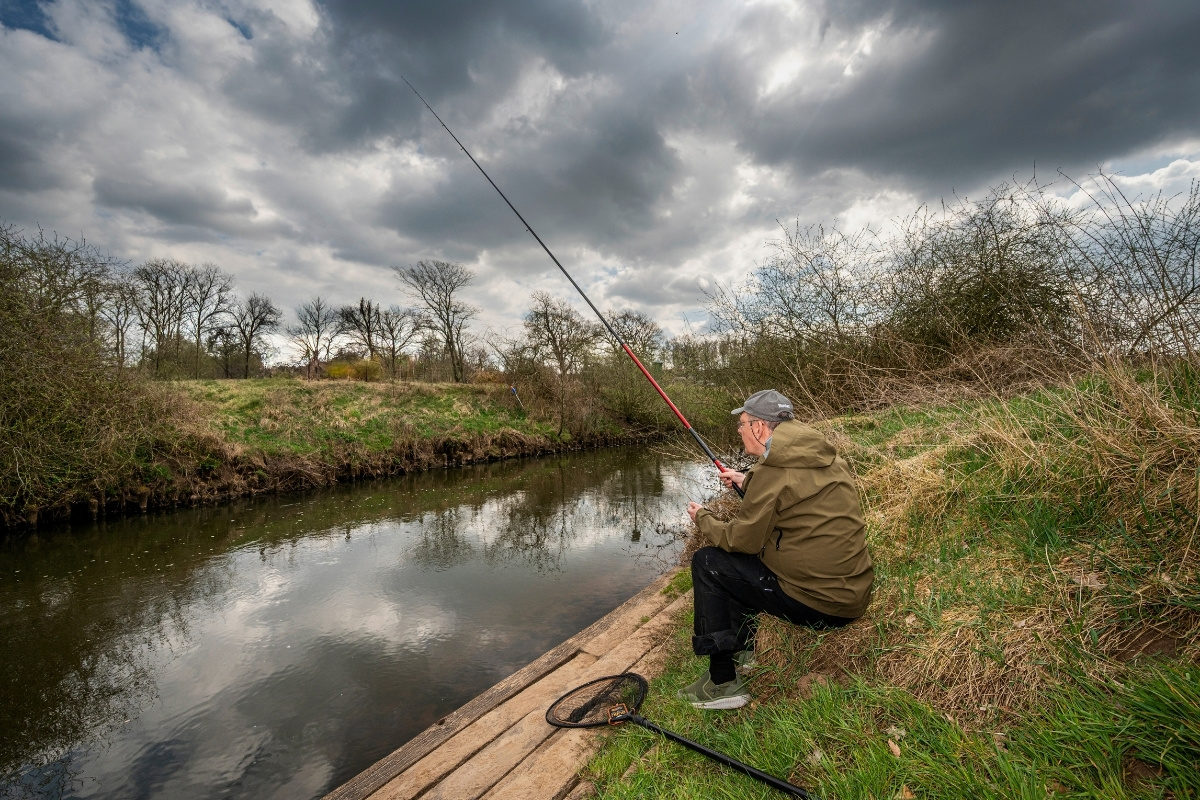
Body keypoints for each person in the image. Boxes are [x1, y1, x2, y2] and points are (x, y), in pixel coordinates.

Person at [680, 389, 873, 709]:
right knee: (743, 563)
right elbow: (791, 494)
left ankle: (724, 682)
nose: (740, 431)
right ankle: (743, 650)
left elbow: (739, 540)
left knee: (709, 562)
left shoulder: (771, 472)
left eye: (742, 424)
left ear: (759, 427)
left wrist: (703, 517)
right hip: (852, 594)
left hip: (821, 604)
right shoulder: (822, 455)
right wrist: (746, 480)